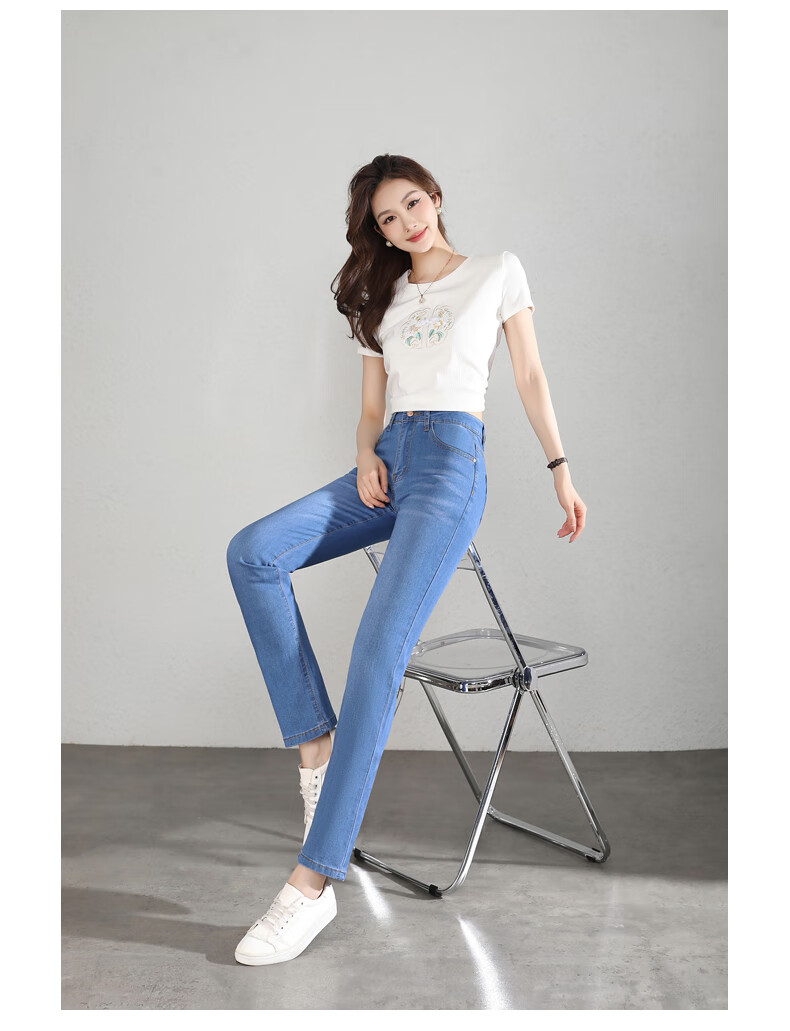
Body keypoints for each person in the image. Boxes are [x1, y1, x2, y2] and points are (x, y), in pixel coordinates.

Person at [226, 153, 587, 966]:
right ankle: (315, 745)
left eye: (413, 204)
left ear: (436, 197)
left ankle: (312, 883)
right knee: (253, 552)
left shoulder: (496, 271)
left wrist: (560, 468)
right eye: (388, 218)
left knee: (376, 649)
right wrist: (365, 455)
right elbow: (369, 410)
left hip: (453, 467)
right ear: (379, 232)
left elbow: (529, 373)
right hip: (389, 460)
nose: (406, 224)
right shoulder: (379, 299)